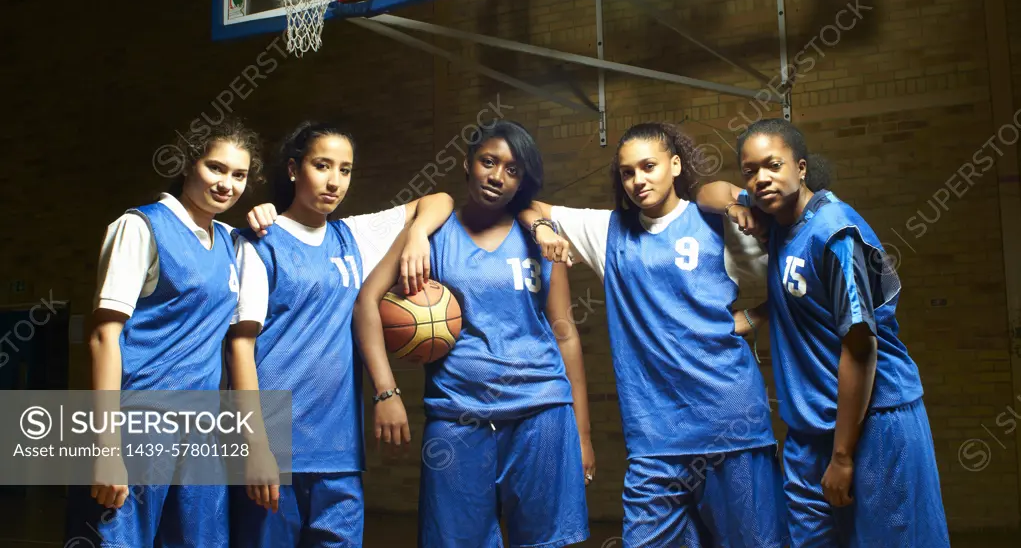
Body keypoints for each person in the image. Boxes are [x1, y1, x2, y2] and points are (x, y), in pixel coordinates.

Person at [523, 121, 788, 548]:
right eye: (627, 172)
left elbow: (797, 280)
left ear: (676, 164)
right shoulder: (609, 231)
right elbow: (528, 205)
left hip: (731, 427)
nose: (637, 180)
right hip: (654, 441)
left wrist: (750, 320)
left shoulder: (717, 223)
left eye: (648, 166)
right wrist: (542, 229)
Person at [355, 120, 593, 548]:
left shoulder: (541, 236)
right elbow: (366, 303)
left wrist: (583, 435)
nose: (497, 176)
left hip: (542, 411)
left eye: (513, 170)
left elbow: (565, 334)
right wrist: (386, 392)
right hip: (457, 414)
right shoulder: (430, 233)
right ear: (468, 164)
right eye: (489, 161)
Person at [228, 121, 455, 547]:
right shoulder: (260, 241)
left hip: (339, 448)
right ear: (294, 169)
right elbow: (240, 348)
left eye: (345, 170)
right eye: (322, 165)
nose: (334, 181)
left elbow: (439, 199)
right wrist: (255, 445)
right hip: (274, 443)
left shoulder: (352, 236)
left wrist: (418, 235)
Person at [728, 118, 949, 547]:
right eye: (750, 170)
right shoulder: (776, 216)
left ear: (802, 167)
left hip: (872, 422)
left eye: (773, 165)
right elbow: (709, 191)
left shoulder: (833, 231)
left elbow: (861, 347)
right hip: (808, 429)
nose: (761, 178)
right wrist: (733, 206)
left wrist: (843, 456)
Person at [71, 119, 263, 547]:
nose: (226, 184)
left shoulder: (235, 243)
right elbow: (104, 337)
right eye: (216, 168)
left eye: (239, 175)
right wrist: (106, 447)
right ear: (188, 165)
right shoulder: (140, 227)